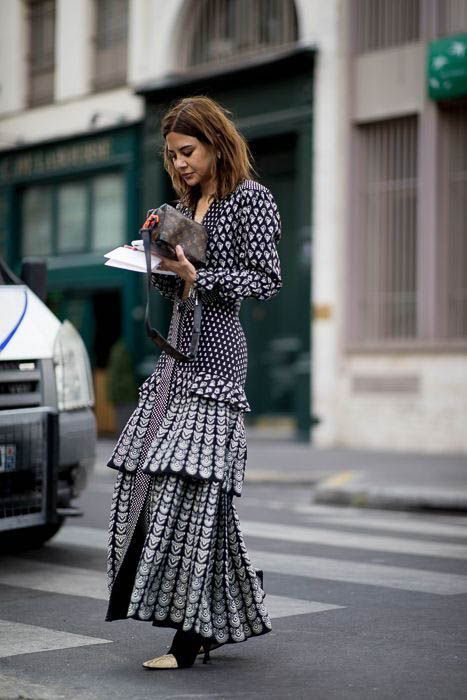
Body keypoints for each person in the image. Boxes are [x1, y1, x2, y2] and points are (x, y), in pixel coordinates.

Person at [105, 95, 283, 669]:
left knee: (189, 486)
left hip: (218, 360)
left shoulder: (250, 201)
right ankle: (228, 610)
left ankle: (187, 639)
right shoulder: (180, 206)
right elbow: (171, 289)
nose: (179, 164)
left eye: (188, 152)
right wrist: (155, 257)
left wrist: (197, 274)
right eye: (171, 156)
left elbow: (264, 280)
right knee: (177, 488)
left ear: (214, 143)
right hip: (175, 359)